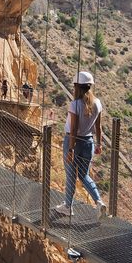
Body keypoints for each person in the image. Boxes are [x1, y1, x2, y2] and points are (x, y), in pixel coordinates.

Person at [55, 71, 107, 218]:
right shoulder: (97, 103)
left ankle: (67, 207)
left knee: (71, 174)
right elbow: (98, 127)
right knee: (84, 175)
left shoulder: (75, 104)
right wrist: (99, 144)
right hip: (88, 142)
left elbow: (73, 128)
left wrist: (71, 148)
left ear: (77, 87)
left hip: (73, 142)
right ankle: (99, 202)